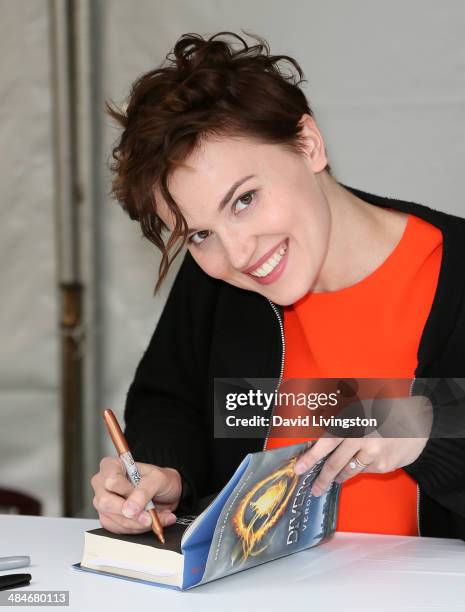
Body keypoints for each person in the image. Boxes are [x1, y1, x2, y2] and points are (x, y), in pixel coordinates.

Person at [91, 32, 465, 539]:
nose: (240, 254)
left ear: (308, 144)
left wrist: (433, 431)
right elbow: (170, 401)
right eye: (200, 234)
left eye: (244, 199)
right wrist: (165, 476)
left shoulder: (452, 270)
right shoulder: (216, 282)